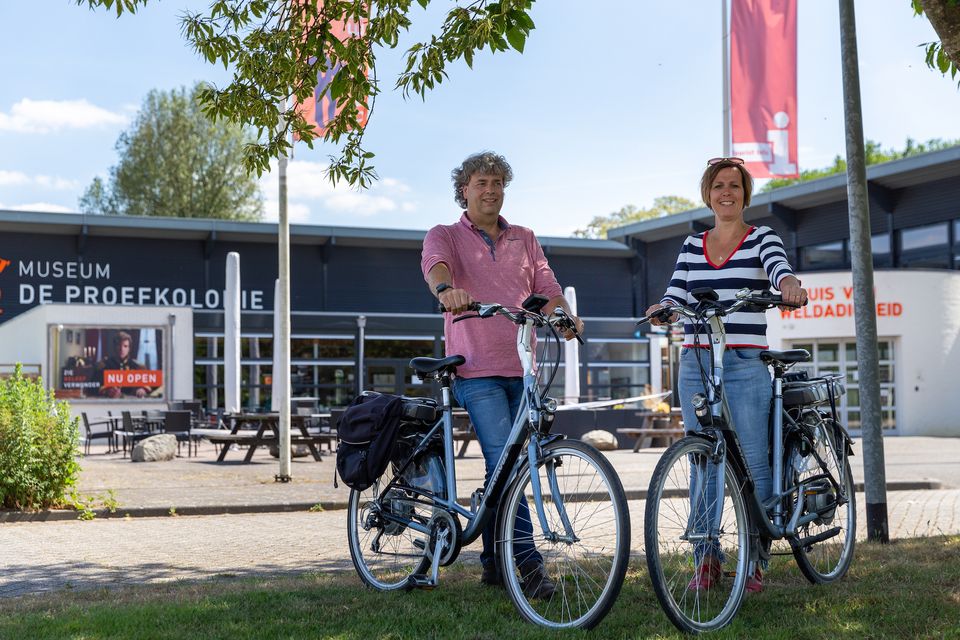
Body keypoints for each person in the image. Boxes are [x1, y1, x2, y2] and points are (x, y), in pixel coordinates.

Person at [420, 151, 584, 599]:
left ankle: (493, 561)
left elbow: (546, 288)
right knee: (507, 465)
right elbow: (435, 264)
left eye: (497, 182)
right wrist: (445, 290)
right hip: (476, 371)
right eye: (481, 182)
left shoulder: (525, 238)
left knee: (510, 465)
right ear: (464, 189)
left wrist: (565, 316)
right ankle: (528, 569)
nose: (490, 190)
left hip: (524, 369)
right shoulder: (446, 234)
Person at [645, 156, 808, 594]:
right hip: (697, 363)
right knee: (703, 460)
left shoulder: (762, 238)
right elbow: (675, 291)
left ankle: (756, 559)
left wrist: (788, 285)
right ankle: (707, 560)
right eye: (719, 186)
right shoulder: (692, 245)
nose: (726, 193)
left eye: (734, 186)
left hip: (742, 361)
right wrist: (663, 310)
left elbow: (779, 268)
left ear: (744, 194)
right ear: (708, 193)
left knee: (754, 460)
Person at [96, 330, 149, 398]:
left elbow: (146, 385)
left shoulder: (136, 366)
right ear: (114, 347)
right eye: (119, 345)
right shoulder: (105, 365)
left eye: (125, 346)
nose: (122, 349)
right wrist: (107, 391)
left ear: (129, 349)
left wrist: (142, 389)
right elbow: (96, 386)